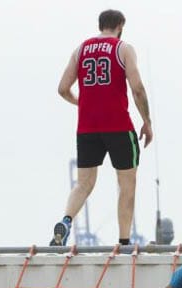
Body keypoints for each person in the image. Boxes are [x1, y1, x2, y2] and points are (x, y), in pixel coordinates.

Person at [51, 9, 152, 247]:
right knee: (127, 181)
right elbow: (137, 88)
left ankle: (66, 221)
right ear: (120, 26)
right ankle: (124, 241)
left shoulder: (81, 50)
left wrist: (82, 102)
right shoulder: (123, 49)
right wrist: (146, 121)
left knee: (84, 183)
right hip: (118, 124)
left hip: (87, 127)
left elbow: (63, 88)